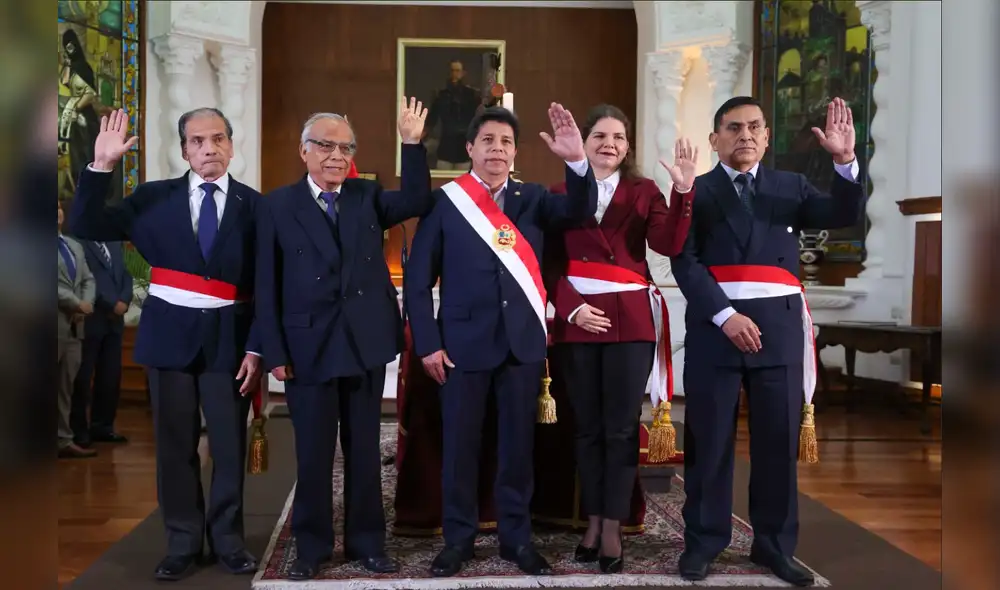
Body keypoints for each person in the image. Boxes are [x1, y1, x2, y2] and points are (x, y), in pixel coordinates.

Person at [670, 96, 865, 586]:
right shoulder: (697, 188)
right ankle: (704, 542)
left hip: (776, 335)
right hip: (716, 332)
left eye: (754, 127)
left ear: (766, 135)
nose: (745, 136)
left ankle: (774, 546)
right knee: (709, 443)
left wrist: (844, 160)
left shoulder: (790, 186)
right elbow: (684, 260)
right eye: (733, 128)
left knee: (777, 446)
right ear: (715, 138)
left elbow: (842, 212)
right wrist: (725, 315)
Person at [69, 107, 263, 581]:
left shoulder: (255, 206)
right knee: (175, 448)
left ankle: (228, 540)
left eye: (218, 139)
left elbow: (266, 284)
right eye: (197, 141)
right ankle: (181, 540)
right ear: (183, 150)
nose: (208, 148)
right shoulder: (153, 198)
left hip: (229, 344)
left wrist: (259, 348)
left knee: (228, 447)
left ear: (231, 146)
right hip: (167, 342)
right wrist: (102, 167)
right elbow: (86, 225)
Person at [404, 104, 598, 577]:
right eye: (488, 141)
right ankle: (458, 540)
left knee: (517, 448)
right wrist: (427, 343)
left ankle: (516, 539)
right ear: (470, 148)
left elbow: (579, 210)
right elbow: (416, 281)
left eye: (506, 142)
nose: (498, 149)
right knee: (461, 448)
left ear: (515, 152)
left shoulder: (533, 198)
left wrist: (577, 163)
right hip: (461, 345)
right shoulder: (447, 202)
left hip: (522, 345)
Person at [255, 98, 432, 581]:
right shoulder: (276, 206)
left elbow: (417, 200)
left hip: (365, 343)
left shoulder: (366, 196)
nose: (337, 155)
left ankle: (366, 543)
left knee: (364, 450)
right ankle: (311, 548)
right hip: (305, 348)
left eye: (346, 147)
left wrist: (412, 144)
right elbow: (265, 285)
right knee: (313, 454)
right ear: (304, 150)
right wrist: (273, 350)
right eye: (326, 146)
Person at [541, 104, 697, 573]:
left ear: (628, 147)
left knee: (622, 428)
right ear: (583, 141)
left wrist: (684, 190)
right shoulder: (556, 193)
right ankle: (591, 519)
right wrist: (570, 306)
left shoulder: (645, 190)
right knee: (586, 428)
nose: (609, 143)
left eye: (619, 137)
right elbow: (546, 262)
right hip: (578, 319)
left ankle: (612, 525)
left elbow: (668, 244)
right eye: (600, 136)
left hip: (630, 321)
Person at [70, 238, 132, 447]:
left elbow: (125, 274)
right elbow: (88, 279)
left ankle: (103, 426)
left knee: (110, 375)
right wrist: (111, 303)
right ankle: (78, 429)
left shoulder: (114, 243)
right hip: (92, 317)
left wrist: (125, 298)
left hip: (115, 321)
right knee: (83, 377)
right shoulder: (78, 242)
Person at [58, 202, 97, 459]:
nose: (58, 212)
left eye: (60, 208)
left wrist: (87, 304)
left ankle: (62, 439)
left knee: (65, 386)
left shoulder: (73, 246)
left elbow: (88, 279)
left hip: (74, 328)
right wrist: (75, 302)